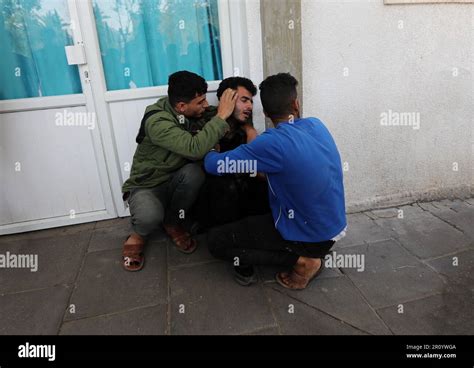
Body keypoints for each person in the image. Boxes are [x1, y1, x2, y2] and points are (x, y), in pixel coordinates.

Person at [204, 73, 347, 289]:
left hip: (309, 239)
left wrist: (212, 137)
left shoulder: (272, 143)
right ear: (296, 104)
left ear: (266, 113)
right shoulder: (316, 125)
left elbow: (214, 165)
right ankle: (306, 251)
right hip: (332, 229)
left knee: (216, 241)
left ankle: (302, 262)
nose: (247, 106)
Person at [121, 70, 237, 271]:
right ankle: (138, 233)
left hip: (175, 178)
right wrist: (222, 117)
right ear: (182, 107)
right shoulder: (157, 121)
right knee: (149, 217)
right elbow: (194, 148)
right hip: (148, 184)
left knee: (194, 173)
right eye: (200, 102)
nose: (205, 105)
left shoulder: (187, 110)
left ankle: (172, 222)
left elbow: (214, 116)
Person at [191, 77, 269, 231]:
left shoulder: (244, 124)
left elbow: (256, 164)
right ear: (226, 99)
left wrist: (251, 131)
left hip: (238, 188)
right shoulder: (206, 121)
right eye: (244, 100)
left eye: (251, 102)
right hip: (214, 191)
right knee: (225, 186)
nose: (249, 106)